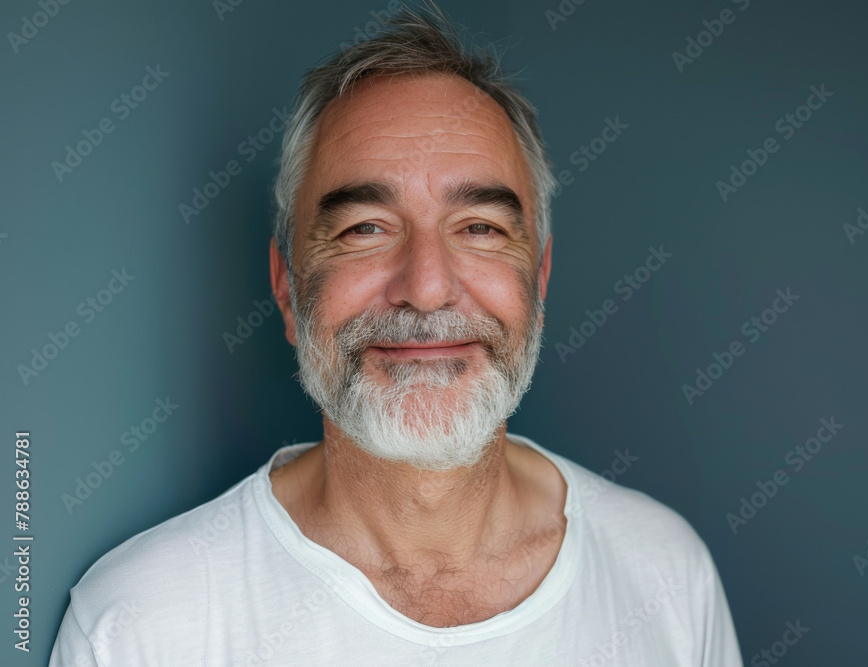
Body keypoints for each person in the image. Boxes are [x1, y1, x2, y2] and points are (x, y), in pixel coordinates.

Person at [49, 3, 743, 665]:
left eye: (480, 228)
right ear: (289, 287)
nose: (427, 285)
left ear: (538, 281)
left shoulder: (667, 574)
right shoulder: (137, 625)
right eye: (365, 229)